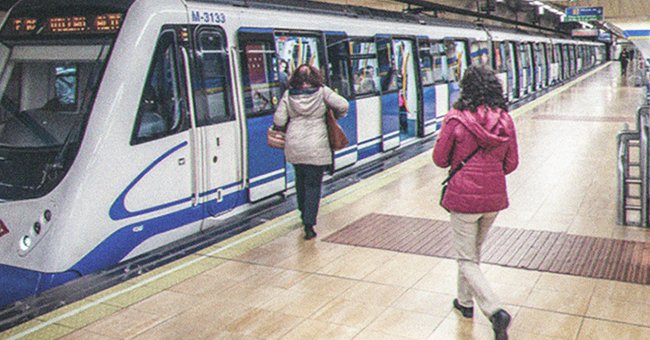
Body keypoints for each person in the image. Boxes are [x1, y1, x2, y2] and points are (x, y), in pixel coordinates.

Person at [433, 65, 518, 340]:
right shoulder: (505, 120)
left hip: (463, 198)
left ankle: (495, 311)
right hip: (493, 199)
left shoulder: (455, 120)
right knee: (472, 255)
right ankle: (464, 303)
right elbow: (512, 163)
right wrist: (490, 173)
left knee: (466, 257)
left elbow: (440, 159)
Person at [273, 64, 349, 240]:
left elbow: (279, 119)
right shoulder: (322, 92)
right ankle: (309, 224)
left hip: (295, 145)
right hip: (317, 145)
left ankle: (302, 212)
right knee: (313, 185)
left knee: (300, 180)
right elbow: (343, 105)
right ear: (315, 76)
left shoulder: (288, 95)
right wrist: (334, 114)